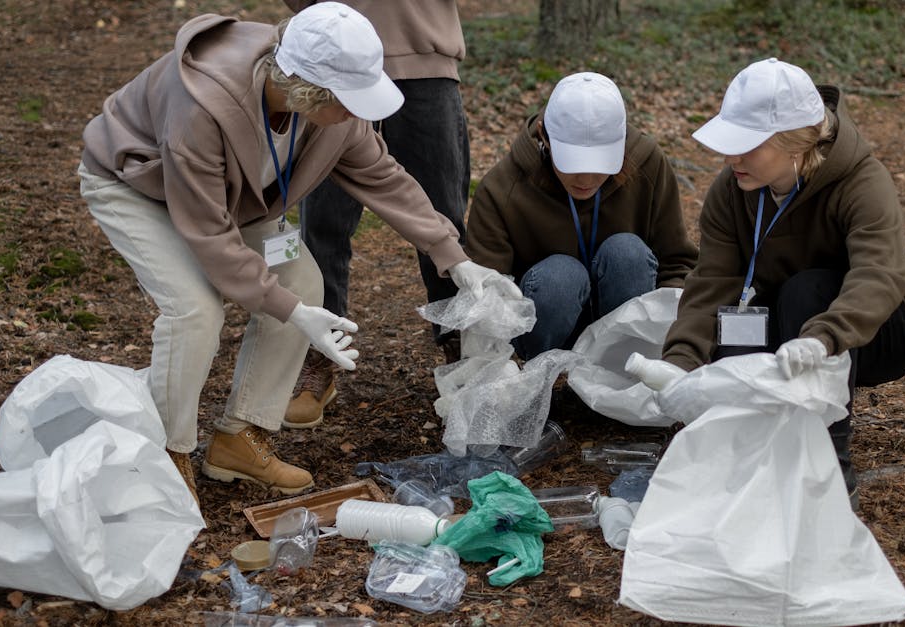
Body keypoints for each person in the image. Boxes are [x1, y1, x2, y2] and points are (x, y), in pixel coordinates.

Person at [78, 3, 513, 503]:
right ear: (306, 89)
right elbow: (211, 238)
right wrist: (289, 313)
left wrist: (452, 255)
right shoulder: (201, 106)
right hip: (138, 184)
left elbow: (384, 177)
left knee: (304, 283)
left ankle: (240, 436)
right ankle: (165, 455)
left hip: (239, 196)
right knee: (193, 311)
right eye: (348, 101)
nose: (358, 114)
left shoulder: (332, 114)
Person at [626, 58, 905, 509]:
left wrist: (824, 339)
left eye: (747, 146)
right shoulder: (732, 190)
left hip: (886, 325)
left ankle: (830, 469)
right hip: (791, 318)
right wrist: (681, 360)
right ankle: (747, 457)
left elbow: (881, 274)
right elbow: (713, 280)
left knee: (806, 291)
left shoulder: (860, 180)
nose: (731, 158)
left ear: (794, 143)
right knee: (735, 330)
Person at [281, 0, 471, 428]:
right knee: (322, 223)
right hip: (329, 65)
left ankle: (460, 348)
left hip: (425, 60)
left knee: (441, 216)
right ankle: (322, 350)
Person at [466, 72, 697, 360]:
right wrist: (497, 364)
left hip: (625, 330)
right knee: (561, 276)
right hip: (543, 329)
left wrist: (673, 340)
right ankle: (543, 378)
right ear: (544, 136)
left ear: (622, 141)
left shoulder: (647, 163)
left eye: (601, 162)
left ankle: (620, 367)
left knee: (627, 253)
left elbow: (676, 261)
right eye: (572, 162)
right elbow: (486, 289)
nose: (586, 178)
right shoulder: (502, 187)